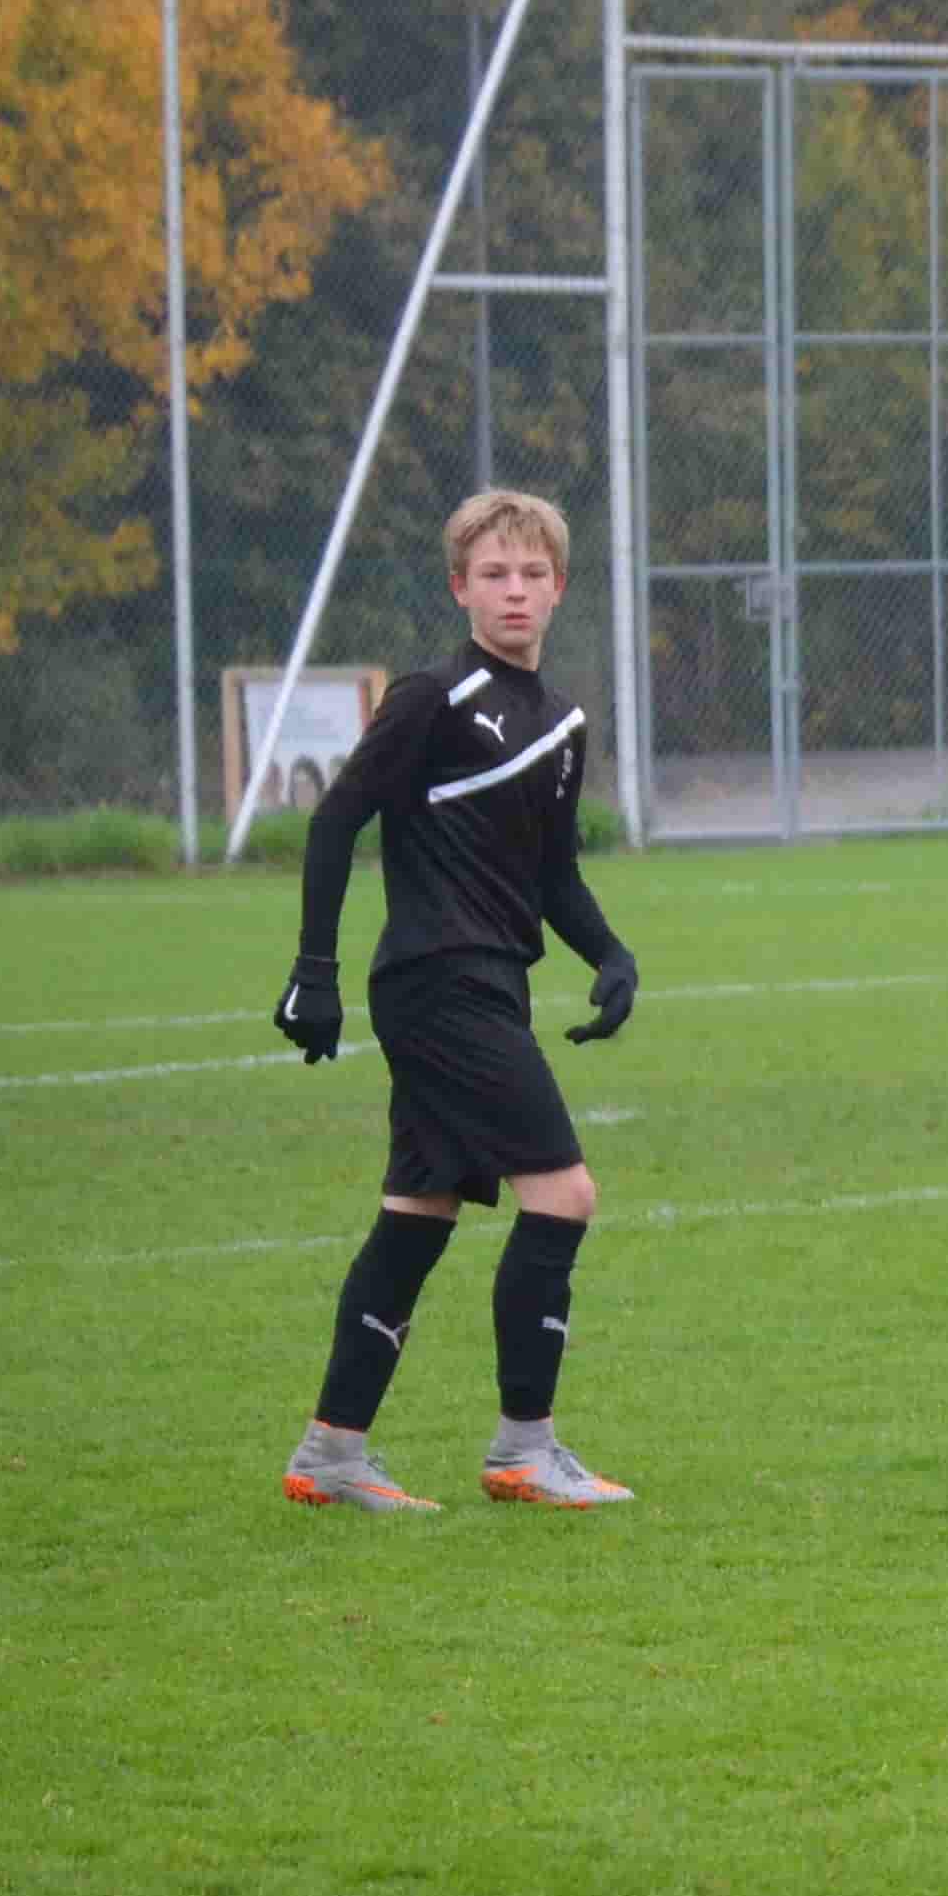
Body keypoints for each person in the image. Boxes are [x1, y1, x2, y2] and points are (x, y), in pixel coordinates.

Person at [270, 487, 644, 1515]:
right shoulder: (430, 697)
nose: (514, 591)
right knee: (563, 1194)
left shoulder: (561, 724)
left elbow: (552, 874)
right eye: (493, 574)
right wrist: (315, 970)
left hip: (488, 982)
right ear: (459, 587)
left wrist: (609, 954)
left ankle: (332, 1453)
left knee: (417, 1214)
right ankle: (525, 1449)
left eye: (531, 574)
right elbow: (336, 823)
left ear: (559, 588)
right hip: (436, 984)